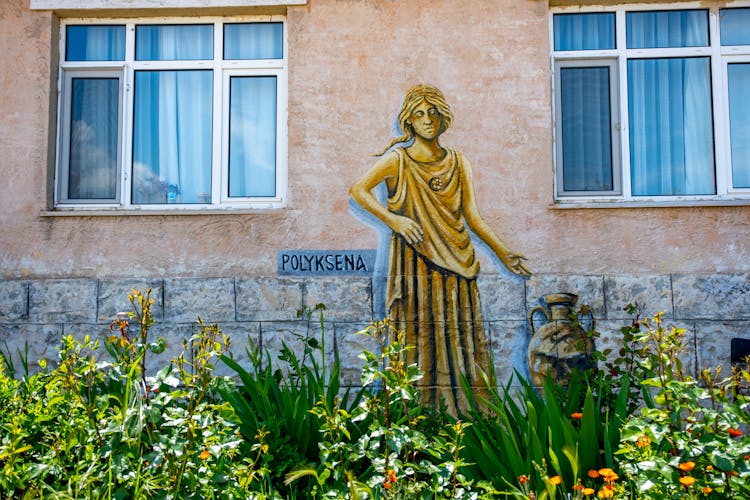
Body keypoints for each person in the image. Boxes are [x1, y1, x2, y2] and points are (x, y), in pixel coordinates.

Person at [349, 84, 531, 415]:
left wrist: (502, 251)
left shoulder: (459, 162)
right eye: (419, 114)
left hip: (457, 263)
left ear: (443, 117)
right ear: (409, 122)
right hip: (414, 262)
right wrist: (394, 221)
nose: (428, 120)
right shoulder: (398, 161)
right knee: (417, 336)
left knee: (459, 338)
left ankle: (464, 413)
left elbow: (472, 217)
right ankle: (417, 412)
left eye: (433, 112)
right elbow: (358, 189)